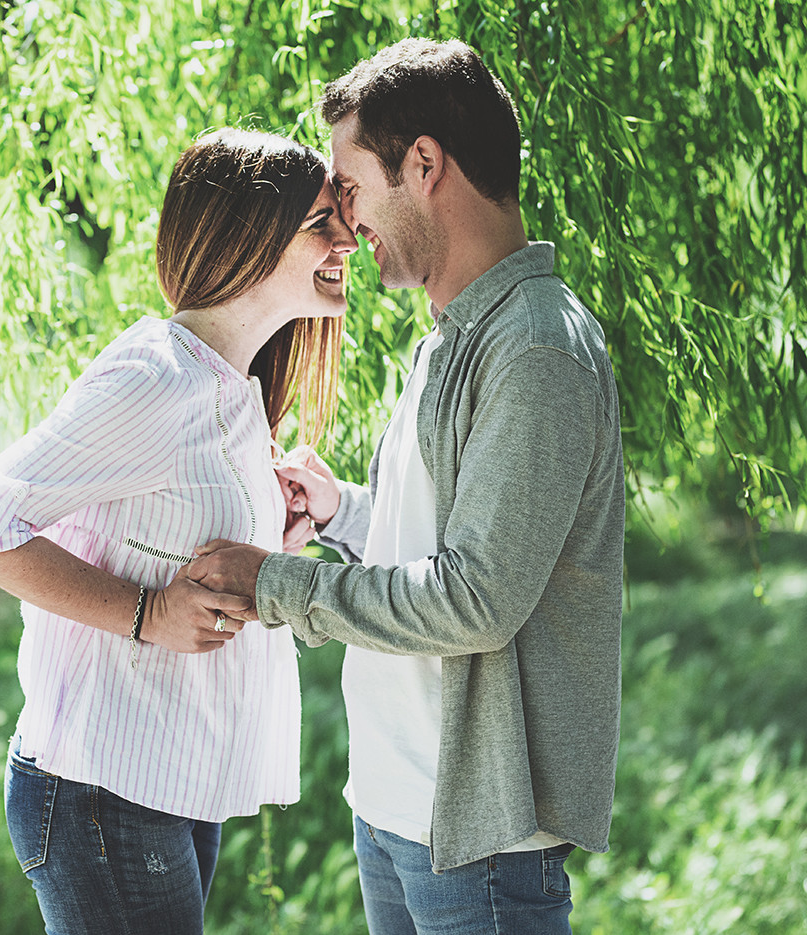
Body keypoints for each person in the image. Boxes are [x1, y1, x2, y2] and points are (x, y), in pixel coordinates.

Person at [186, 38, 625, 935]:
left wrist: (277, 586)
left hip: (475, 846)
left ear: (424, 163)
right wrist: (344, 511)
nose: (345, 227)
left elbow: (477, 599)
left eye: (350, 188)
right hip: (393, 812)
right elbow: (445, 538)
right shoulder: (452, 335)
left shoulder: (536, 348)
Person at [0, 128, 358, 934]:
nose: (348, 240)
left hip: (166, 780)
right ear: (245, 239)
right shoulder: (158, 376)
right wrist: (147, 612)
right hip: (102, 789)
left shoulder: (233, 391)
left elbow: (170, 538)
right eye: (319, 222)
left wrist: (274, 539)